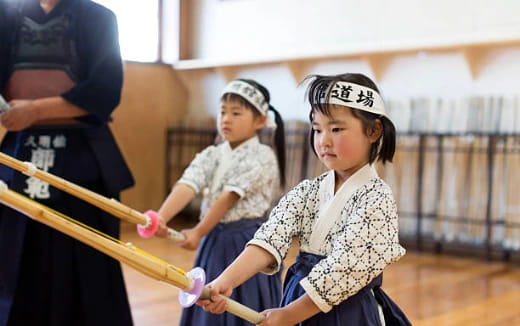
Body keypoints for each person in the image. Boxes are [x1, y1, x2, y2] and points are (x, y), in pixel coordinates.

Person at [199, 73, 412, 326]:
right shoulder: (310, 190)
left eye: (336, 129)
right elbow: (271, 236)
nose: (324, 141)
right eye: (317, 129)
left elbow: (345, 269)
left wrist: (290, 314)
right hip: (300, 299)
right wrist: (225, 281)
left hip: (347, 312)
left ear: (373, 131)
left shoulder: (377, 198)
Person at [0, 0, 134, 325]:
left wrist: (36, 109)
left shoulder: (99, 17)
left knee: (87, 262)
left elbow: (106, 89)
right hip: (19, 148)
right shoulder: (6, 12)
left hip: (82, 154)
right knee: (13, 258)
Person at [154, 79, 286, 326]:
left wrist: (197, 231)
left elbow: (228, 199)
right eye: (223, 112)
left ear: (259, 121)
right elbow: (188, 184)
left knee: (242, 304)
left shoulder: (262, 156)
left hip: (246, 244)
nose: (226, 119)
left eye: (236, 113)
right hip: (214, 240)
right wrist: (161, 217)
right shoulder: (213, 153)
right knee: (209, 301)